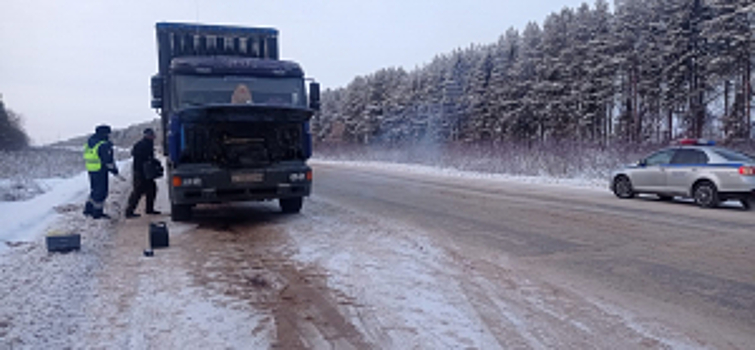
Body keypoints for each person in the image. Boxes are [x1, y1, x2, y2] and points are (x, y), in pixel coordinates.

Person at [83, 125, 119, 219]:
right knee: (102, 192)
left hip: (91, 169)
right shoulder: (103, 144)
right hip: (100, 169)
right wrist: (114, 171)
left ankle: (88, 209)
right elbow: (108, 160)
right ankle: (97, 213)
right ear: (105, 133)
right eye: (108, 133)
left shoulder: (90, 142)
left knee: (94, 190)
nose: (109, 135)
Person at [125, 128, 161, 218]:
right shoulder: (141, 145)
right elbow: (138, 155)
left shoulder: (148, 144)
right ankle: (129, 211)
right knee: (138, 191)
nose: (154, 136)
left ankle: (149, 209)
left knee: (152, 190)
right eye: (152, 135)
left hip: (146, 172)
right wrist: (150, 160)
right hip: (140, 172)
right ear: (148, 135)